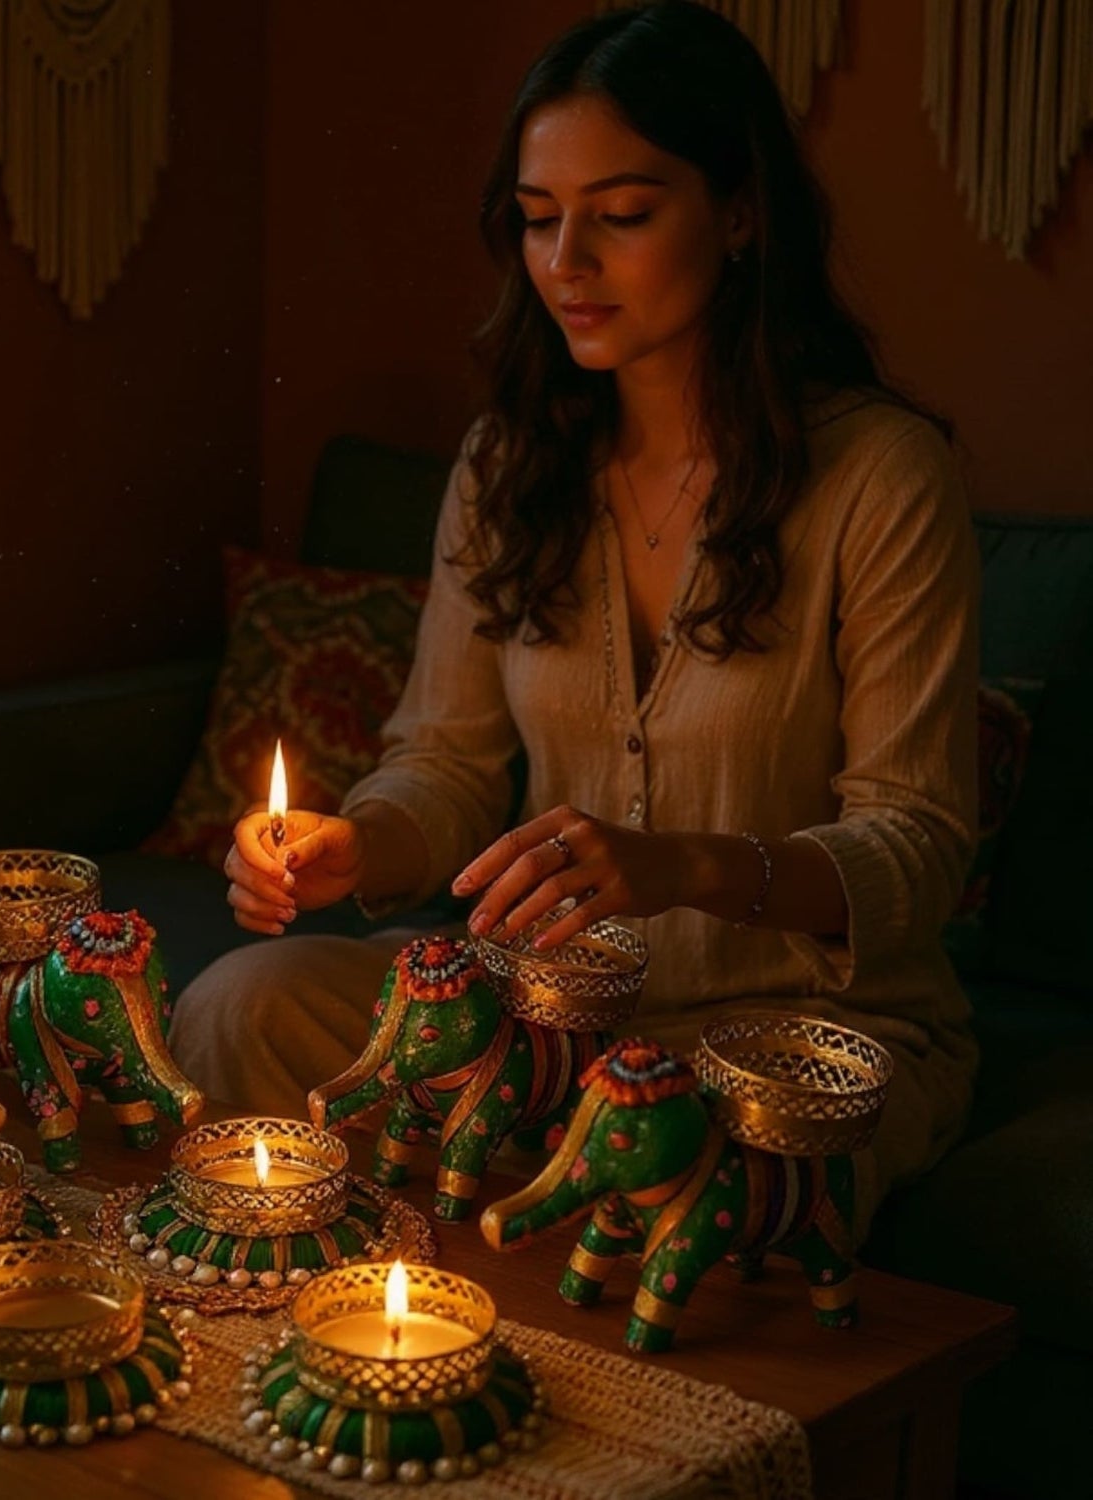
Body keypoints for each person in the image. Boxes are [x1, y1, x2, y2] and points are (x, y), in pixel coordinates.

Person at [168, 0, 979, 1241]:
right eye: (541, 221)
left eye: (624, 214)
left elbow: (919, 847)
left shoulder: (881, 477)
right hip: (546, 1015)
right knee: (243, 1004)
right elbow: (440, 770)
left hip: (796, 1042)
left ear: (742, 212)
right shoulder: (509, 465)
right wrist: (358, 847)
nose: (567, 263)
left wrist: (688, 866)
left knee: (679, 1167)